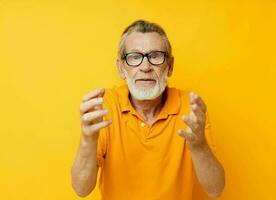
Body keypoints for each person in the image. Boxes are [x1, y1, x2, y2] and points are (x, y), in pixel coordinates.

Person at [71, 19, 225, 200]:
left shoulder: (191, 108)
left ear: (170, 66)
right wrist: (88, 140)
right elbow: (81, 189)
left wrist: (199, 146)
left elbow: (216, 189)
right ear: (121, 68)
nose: (145, 67)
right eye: (135, 57)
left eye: (155, 56)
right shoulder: (104, 107)